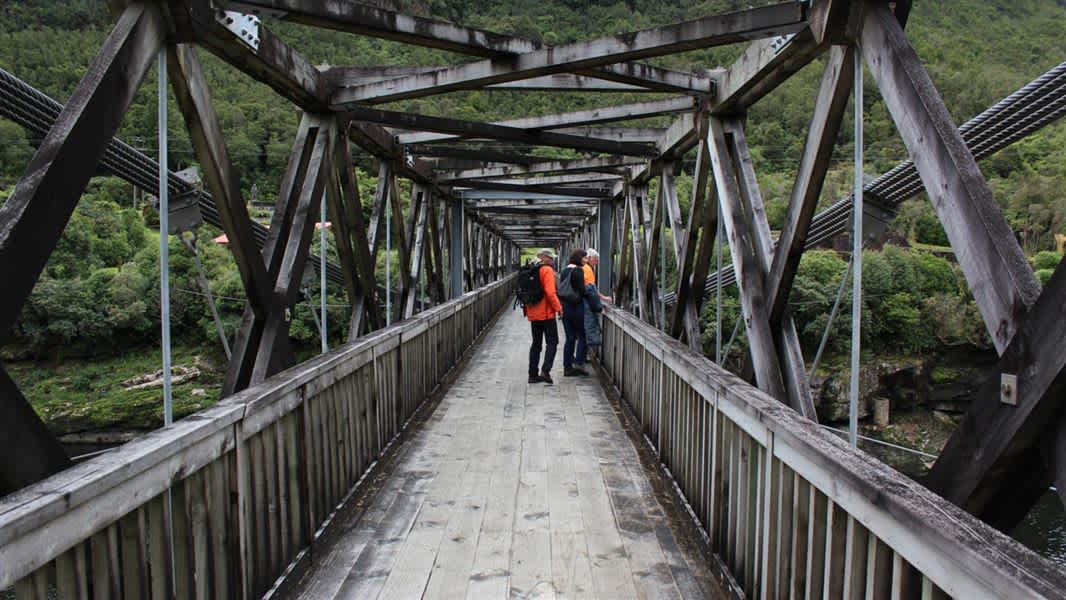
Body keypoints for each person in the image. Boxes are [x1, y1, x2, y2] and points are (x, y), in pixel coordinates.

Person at [524, 248, 562, 384]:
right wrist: (559, 308)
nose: (553, 261)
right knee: (552, 342)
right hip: (546, 314)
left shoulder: (531, 268)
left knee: (536, 344)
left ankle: (532, 375)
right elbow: (550, 293)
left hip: (533, 312)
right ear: (545, 257)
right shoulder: (546, 270)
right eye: (551, 258)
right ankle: (545, 371)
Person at [559, 249, 590, 376]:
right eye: (584, 258)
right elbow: (582, 290)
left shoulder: (565, 270)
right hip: (577, 308)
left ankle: (567, 367)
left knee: (570, 338)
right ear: (578, 258)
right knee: (583, 336)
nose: (586, 260)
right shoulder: (578, 271)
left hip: (566, 308)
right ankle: (579, 363)